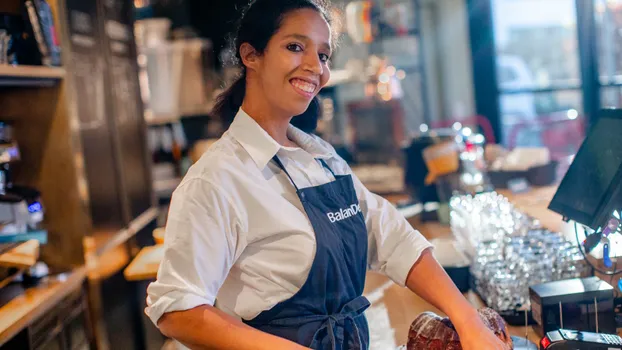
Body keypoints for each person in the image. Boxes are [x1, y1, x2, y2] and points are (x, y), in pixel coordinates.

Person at [145, 0, 508, 349]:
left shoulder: (322, 159)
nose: (314, 67)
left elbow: (393, 240)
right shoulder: (217, 179)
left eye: (322, 55)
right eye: (294, 46)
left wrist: (468, 321)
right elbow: (178, 311)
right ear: (250, 55)